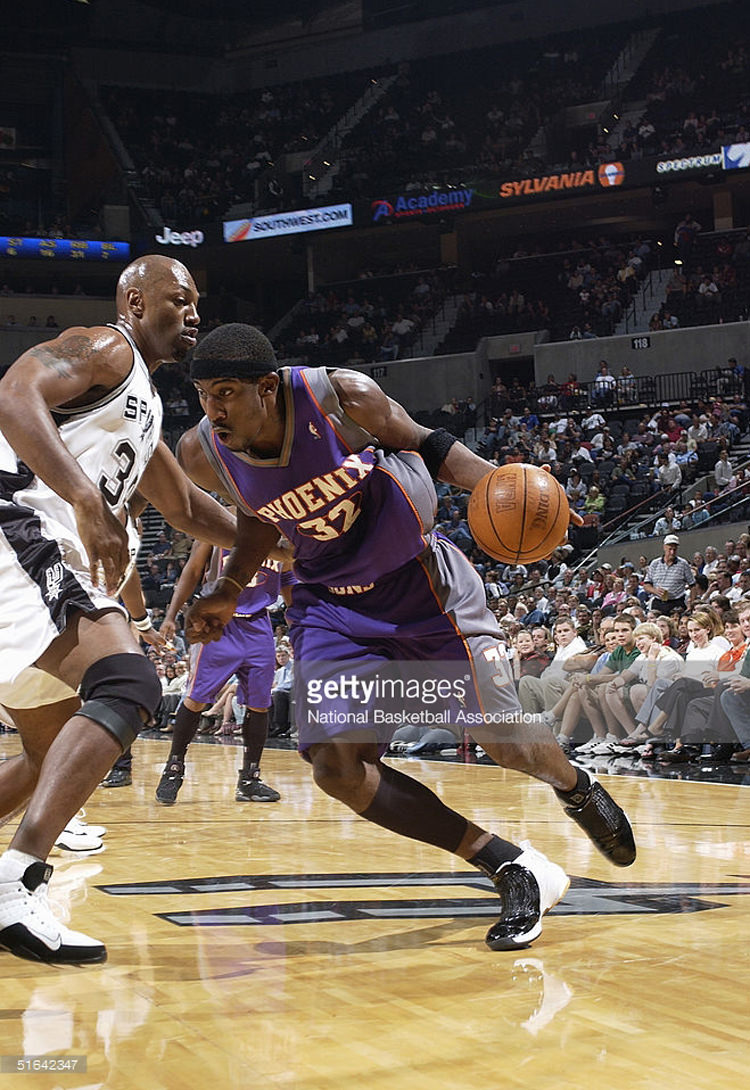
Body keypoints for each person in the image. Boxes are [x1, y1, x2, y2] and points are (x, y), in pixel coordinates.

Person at [176, 323, 636, 953]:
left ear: (266, 385)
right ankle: (508, 863)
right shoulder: (202, 451)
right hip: (331, 607)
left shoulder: (340, 398)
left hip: (424, 589)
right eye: (204, 394)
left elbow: (433, 445)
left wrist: (513, 489)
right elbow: (257, 519)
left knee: (503, 742)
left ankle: (574, 787)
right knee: (336, 767)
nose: (213, 408)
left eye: (226, 392)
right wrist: (230, 586)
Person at [0, 255, 237, 964]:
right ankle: (16, 883)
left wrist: (281, 545)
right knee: (130, 684)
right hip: (20, 534)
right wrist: (82, 499)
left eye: (198, 302)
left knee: (49, 758)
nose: (193, 312)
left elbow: (189, 507)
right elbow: (13, 394)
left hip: (35, 557)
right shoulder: (107, 346)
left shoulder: (144, 403)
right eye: (178, 298)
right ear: (135, 301)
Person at [154, 536, 295, 805]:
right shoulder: (217, 523)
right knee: (196, 699)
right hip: (218, 622)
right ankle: (173, 769)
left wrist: (296, 621)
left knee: (260, 704)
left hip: (258, 624)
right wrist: (171, 615)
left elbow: (288, 579)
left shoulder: (281, 532)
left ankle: (250, 779)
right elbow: (193, 571)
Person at [642, 534, 696, 615]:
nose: (672, 552)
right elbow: (646, 585)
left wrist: (691, 603)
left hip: (677, 603)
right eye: (670, 549)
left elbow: (693, 585)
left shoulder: (683, 564)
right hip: (658, 603)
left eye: (674, 549)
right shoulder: (655, 563)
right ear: (664, 547)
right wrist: (655, 591)